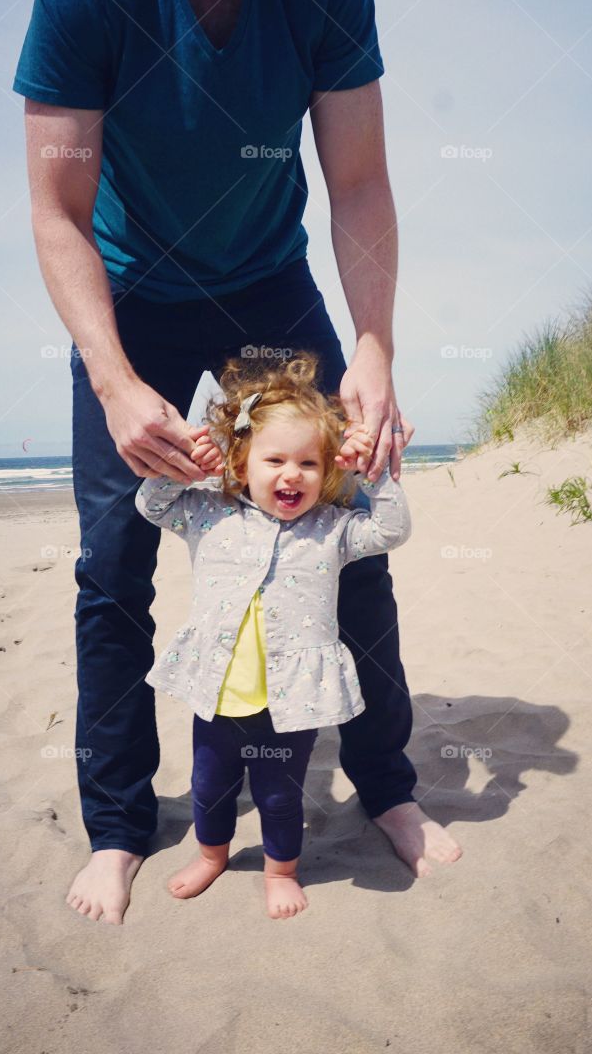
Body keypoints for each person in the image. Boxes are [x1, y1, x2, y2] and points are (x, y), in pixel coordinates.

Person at [13, 0, 462, 924]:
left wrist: (375, 346)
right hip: (133, 295)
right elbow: (57, 209)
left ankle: (389, 788)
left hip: (268, 279)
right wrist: (116, 381)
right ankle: (121, 828)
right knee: (115, 563)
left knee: (343, 523)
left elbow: (356, 178)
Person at [136, 353, 412, 917]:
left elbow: (392, 528)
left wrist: (373, 474)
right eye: (275, 459)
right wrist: (189, 463)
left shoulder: (333, 530)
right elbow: (150, 504)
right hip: (217, 695)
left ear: (328, 471)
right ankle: (212, 856)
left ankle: (280, 871)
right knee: (208, 789)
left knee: (281, 796)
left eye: (309, 463)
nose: (293, 474)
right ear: (242, 462)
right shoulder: (209, 515)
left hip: (292, 702)